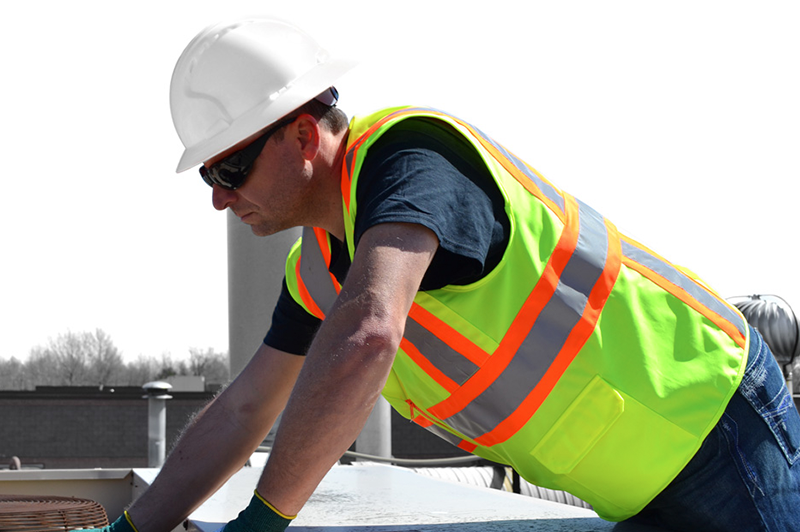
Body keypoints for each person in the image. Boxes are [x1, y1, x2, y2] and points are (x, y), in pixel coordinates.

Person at [96, 17, 800, 532]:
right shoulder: (315, 268)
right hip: (637, 475)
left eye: (229, 168)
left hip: (714, 424)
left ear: (304, 135)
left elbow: (371, 334)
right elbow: (247, 409)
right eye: (208, 179)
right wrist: (133, 530)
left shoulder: (413, 161)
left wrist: (264, 522)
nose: (220, 196)